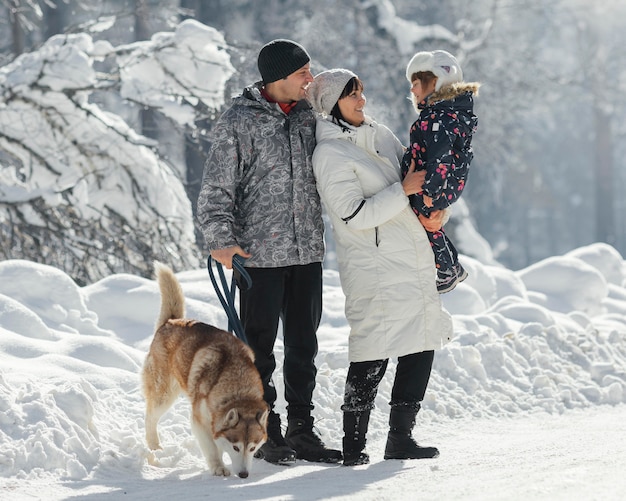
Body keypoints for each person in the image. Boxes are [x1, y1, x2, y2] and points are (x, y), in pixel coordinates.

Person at [196, 39, 342, 465]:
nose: (309, 80)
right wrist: (221, 239)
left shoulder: (309, 117)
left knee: (304, 347)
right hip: (257, 257)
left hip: (306, 252)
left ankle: (302, 430)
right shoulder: (238, 121)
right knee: (257, 351)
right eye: (302, 74)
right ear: (277, 78)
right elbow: (217, 188)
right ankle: (266, 432)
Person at [307, 68, 453, 466]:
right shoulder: (330, 153)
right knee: (372, 351)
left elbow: (415, 178)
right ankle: (353, 446)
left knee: (422, 342)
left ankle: (401, 437)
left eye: (361, 92)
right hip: (373, 266)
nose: (362, 101)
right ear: (331, 104)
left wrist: (436, 208)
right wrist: (401, 191)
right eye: (352, 95)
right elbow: (353, 214)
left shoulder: (381, 135)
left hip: (410, 256)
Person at [401, 50, 480, 293]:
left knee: (425, 222)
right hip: (436, 182)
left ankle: (448, 268)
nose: (412, 91)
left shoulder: (438, 118)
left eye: (416, 83)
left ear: (434, 81)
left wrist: (432, 192)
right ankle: (451, 266)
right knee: (428, 224)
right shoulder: (444, 115)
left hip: (431, 183)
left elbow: (441, 158)